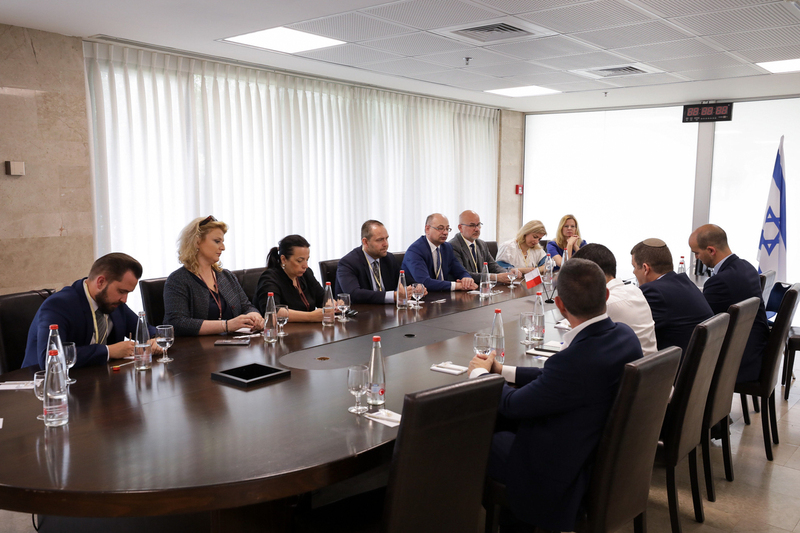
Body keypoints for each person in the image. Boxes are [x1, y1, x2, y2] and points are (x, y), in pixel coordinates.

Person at [468, 259, 642, 531]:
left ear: (559, 304)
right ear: (606, 295)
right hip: (590, 447)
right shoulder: (624, 336)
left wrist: (480, 375)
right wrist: (504, 370)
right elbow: (555, 382)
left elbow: (512, 405)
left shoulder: (575, 361)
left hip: (559, 468)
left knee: (478, 439)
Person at [23, 253, 162, 369]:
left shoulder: (113, 302)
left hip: (98, 382)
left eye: (128, 293)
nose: (124, 300)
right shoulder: (59, 305)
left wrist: (157, 339)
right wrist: (108, 351)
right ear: (100, 282)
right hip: (43, 388)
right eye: (121, 291)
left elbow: (145, 330)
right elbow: (50, 357)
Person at [689, 224, 770, 382]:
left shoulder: (720, 281)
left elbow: (702, 321)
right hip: (755, 351)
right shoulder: (746, 267)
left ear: (711, 250)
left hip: (740, 362)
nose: (696, 258)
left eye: (697, 253)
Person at [163, 216, 264, 336]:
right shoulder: (178, 280)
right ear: (197, 241)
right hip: (196, 351)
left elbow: (247, 306)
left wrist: (255, 316)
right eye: (217, 241)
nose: (223, 247)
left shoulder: (226, 276)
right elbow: (178, 323)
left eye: (222, 242)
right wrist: (226, 325)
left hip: (232, 349)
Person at [631, 238, 713, 356]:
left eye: (634, 267)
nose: (633, 272)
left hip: (677, 368)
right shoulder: (685, 283)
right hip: (700, 364)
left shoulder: (654, 292)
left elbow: (636, 333)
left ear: (645, 268)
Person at [573, 243, 658, 355]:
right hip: (650, 367)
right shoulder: (635, 291)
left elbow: (576, 345)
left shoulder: (606, 304)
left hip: (625, 369)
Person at [336, 220, 418, 304]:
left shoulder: (388, 258)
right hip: (362, 313)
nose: (385, 244)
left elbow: (406, 280)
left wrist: (416, 287)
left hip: (386, 312)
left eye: (386, 238)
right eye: (380, 240)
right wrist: (393, 296)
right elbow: (354, 294)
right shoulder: (348, 262)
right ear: (365, 242)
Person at [254, 234, 328, 322]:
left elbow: (323, 299)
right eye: (299, 261)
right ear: (284, 259)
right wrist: (310, 317)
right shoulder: (269, 278)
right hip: (280, 332)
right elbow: (272, 311)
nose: (305, 265)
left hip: (306, 332)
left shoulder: (306, 273)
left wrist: (332, 304)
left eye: (307, 260)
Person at [401, 213, 477, 292]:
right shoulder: (415, 250)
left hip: (442, 297)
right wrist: (457, 285)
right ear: (427, 229)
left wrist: (467, 279)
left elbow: (460, 271)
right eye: (440, 228)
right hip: (418, 299)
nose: (445, 233)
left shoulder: (447, 247)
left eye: (447, 229)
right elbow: (424, 282)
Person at [449, 210, 509, 282]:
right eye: (472, 225)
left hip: (483, 289)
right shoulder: (452, 246)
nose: (477, 229)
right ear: (460, 228)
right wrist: (494, 277)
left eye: (478, 225)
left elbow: (493, 266)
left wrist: (507, 274)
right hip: (464, 290)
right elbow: (463, 274)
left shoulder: (481, 244)